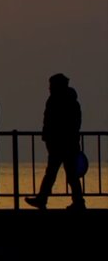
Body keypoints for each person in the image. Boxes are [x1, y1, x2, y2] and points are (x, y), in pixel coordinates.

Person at [25, 73, 85, 210]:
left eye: (51, 85)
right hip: (66, 143)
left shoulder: (58, 101)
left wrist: (49, 137)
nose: (49, 88)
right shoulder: (69, 101)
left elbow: (54, 122)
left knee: (56, 174)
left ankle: (43, 199)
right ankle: (77, 202)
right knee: (68, 175)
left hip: (61, 144)